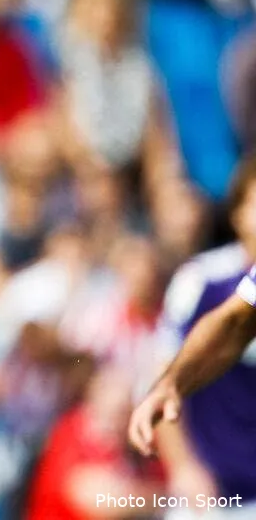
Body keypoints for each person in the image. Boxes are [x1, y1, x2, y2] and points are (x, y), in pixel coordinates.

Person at [129, 156, 256, 515]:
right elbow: (230, 328)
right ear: (237, 213)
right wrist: (184, 467)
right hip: (214, 494)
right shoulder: (202, 279)